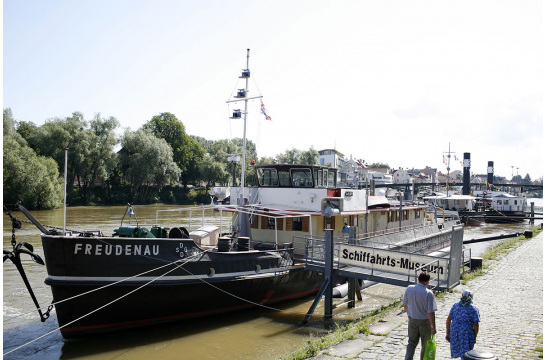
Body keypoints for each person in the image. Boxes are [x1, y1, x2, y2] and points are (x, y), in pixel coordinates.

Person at [402, 272, 438, 360]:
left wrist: (408, 313)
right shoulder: (429, 293)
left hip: (412, 320)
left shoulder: (409, 288)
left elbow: (404, 303)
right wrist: (433, 326)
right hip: (425, 322)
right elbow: (431, 312)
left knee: (411, 343)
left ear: (418, 279)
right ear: (428, 282)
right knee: (425, 345)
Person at [445, 289, 481, 358]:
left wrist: (448, 333)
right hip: (466, 333)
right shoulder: (473, 308)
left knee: (458, 352)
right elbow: (476, 324)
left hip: (455, 332)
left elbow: (448, 319)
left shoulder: (455, 305)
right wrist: (475, 336)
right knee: (467, 355)